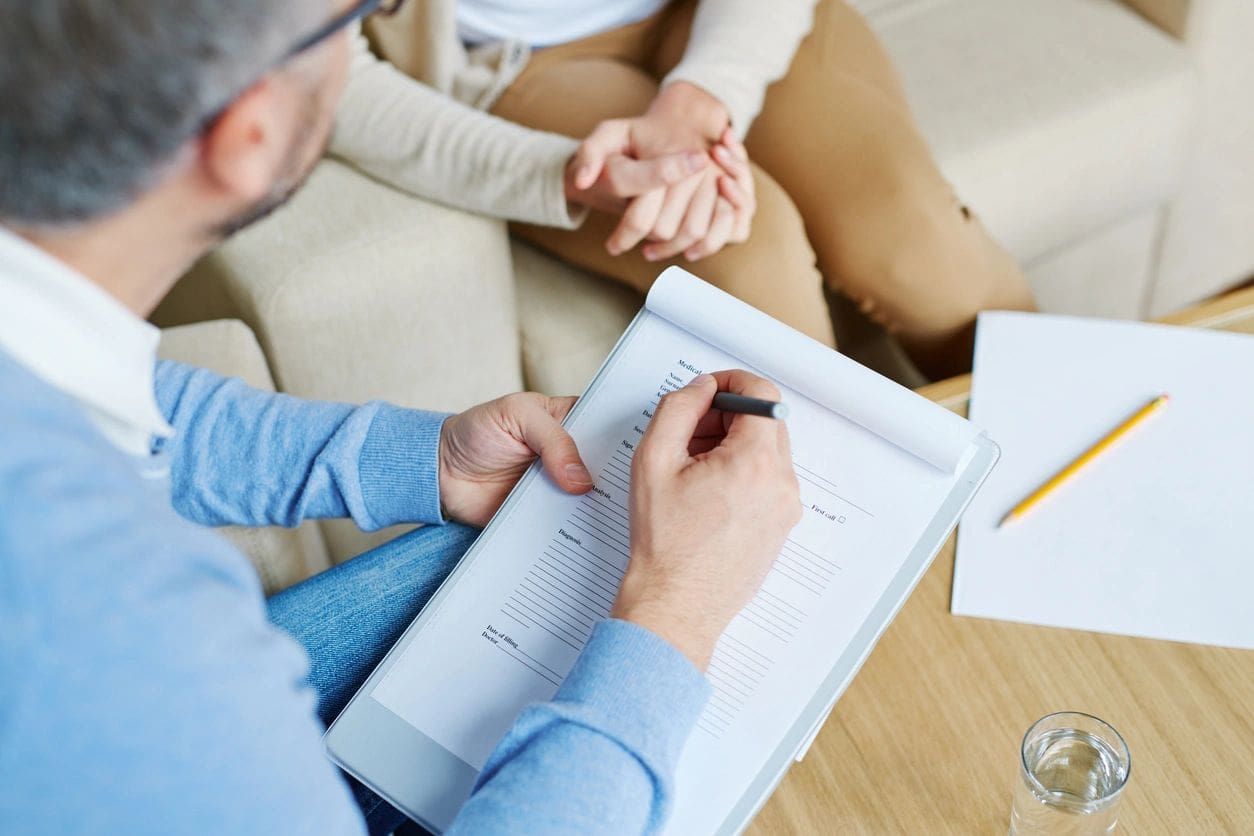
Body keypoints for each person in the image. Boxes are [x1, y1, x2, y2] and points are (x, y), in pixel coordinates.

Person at [0, 2, 801, 835]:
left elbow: (132, 413)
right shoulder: (126, 625)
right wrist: (675, 617)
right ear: (250, 130)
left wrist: (419, 460)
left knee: (545, 558)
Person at [332, 0, 1037, 378]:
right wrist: (569, 174)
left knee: (920, 249)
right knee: (748, 256)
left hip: (727, 14)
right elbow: (326, 85)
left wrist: (704, 98)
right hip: (514, 65)